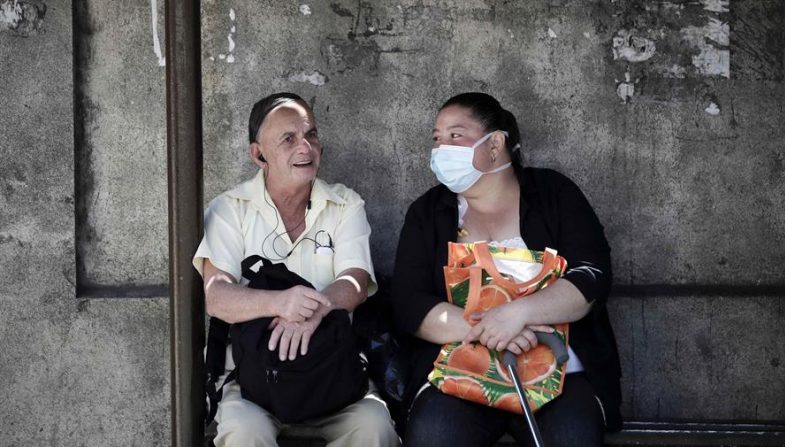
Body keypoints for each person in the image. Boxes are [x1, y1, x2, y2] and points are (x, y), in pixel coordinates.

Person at [390, 92, 622, 447]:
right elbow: (408, 302)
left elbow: (592, 276)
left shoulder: (553, 194)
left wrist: (519, 313)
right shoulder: (427, 212)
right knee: (434, 434)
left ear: (495, 143)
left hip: (557, 376)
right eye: (437, 139)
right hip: (460, 373)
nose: (441, 149)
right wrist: (490, 329)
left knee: (573, 438)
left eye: (456, 136)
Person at [193, 92, 400, 447]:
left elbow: (355, 282)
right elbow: (217, 297)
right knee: (244, 433)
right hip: (253, 378)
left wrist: (309, 310)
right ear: (259, 155)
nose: (306, 147)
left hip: (333, 371)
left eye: (311, 135)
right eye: (288, 139)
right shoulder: (230, 209)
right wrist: (280, 304)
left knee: (374, 427)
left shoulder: (344, 204)